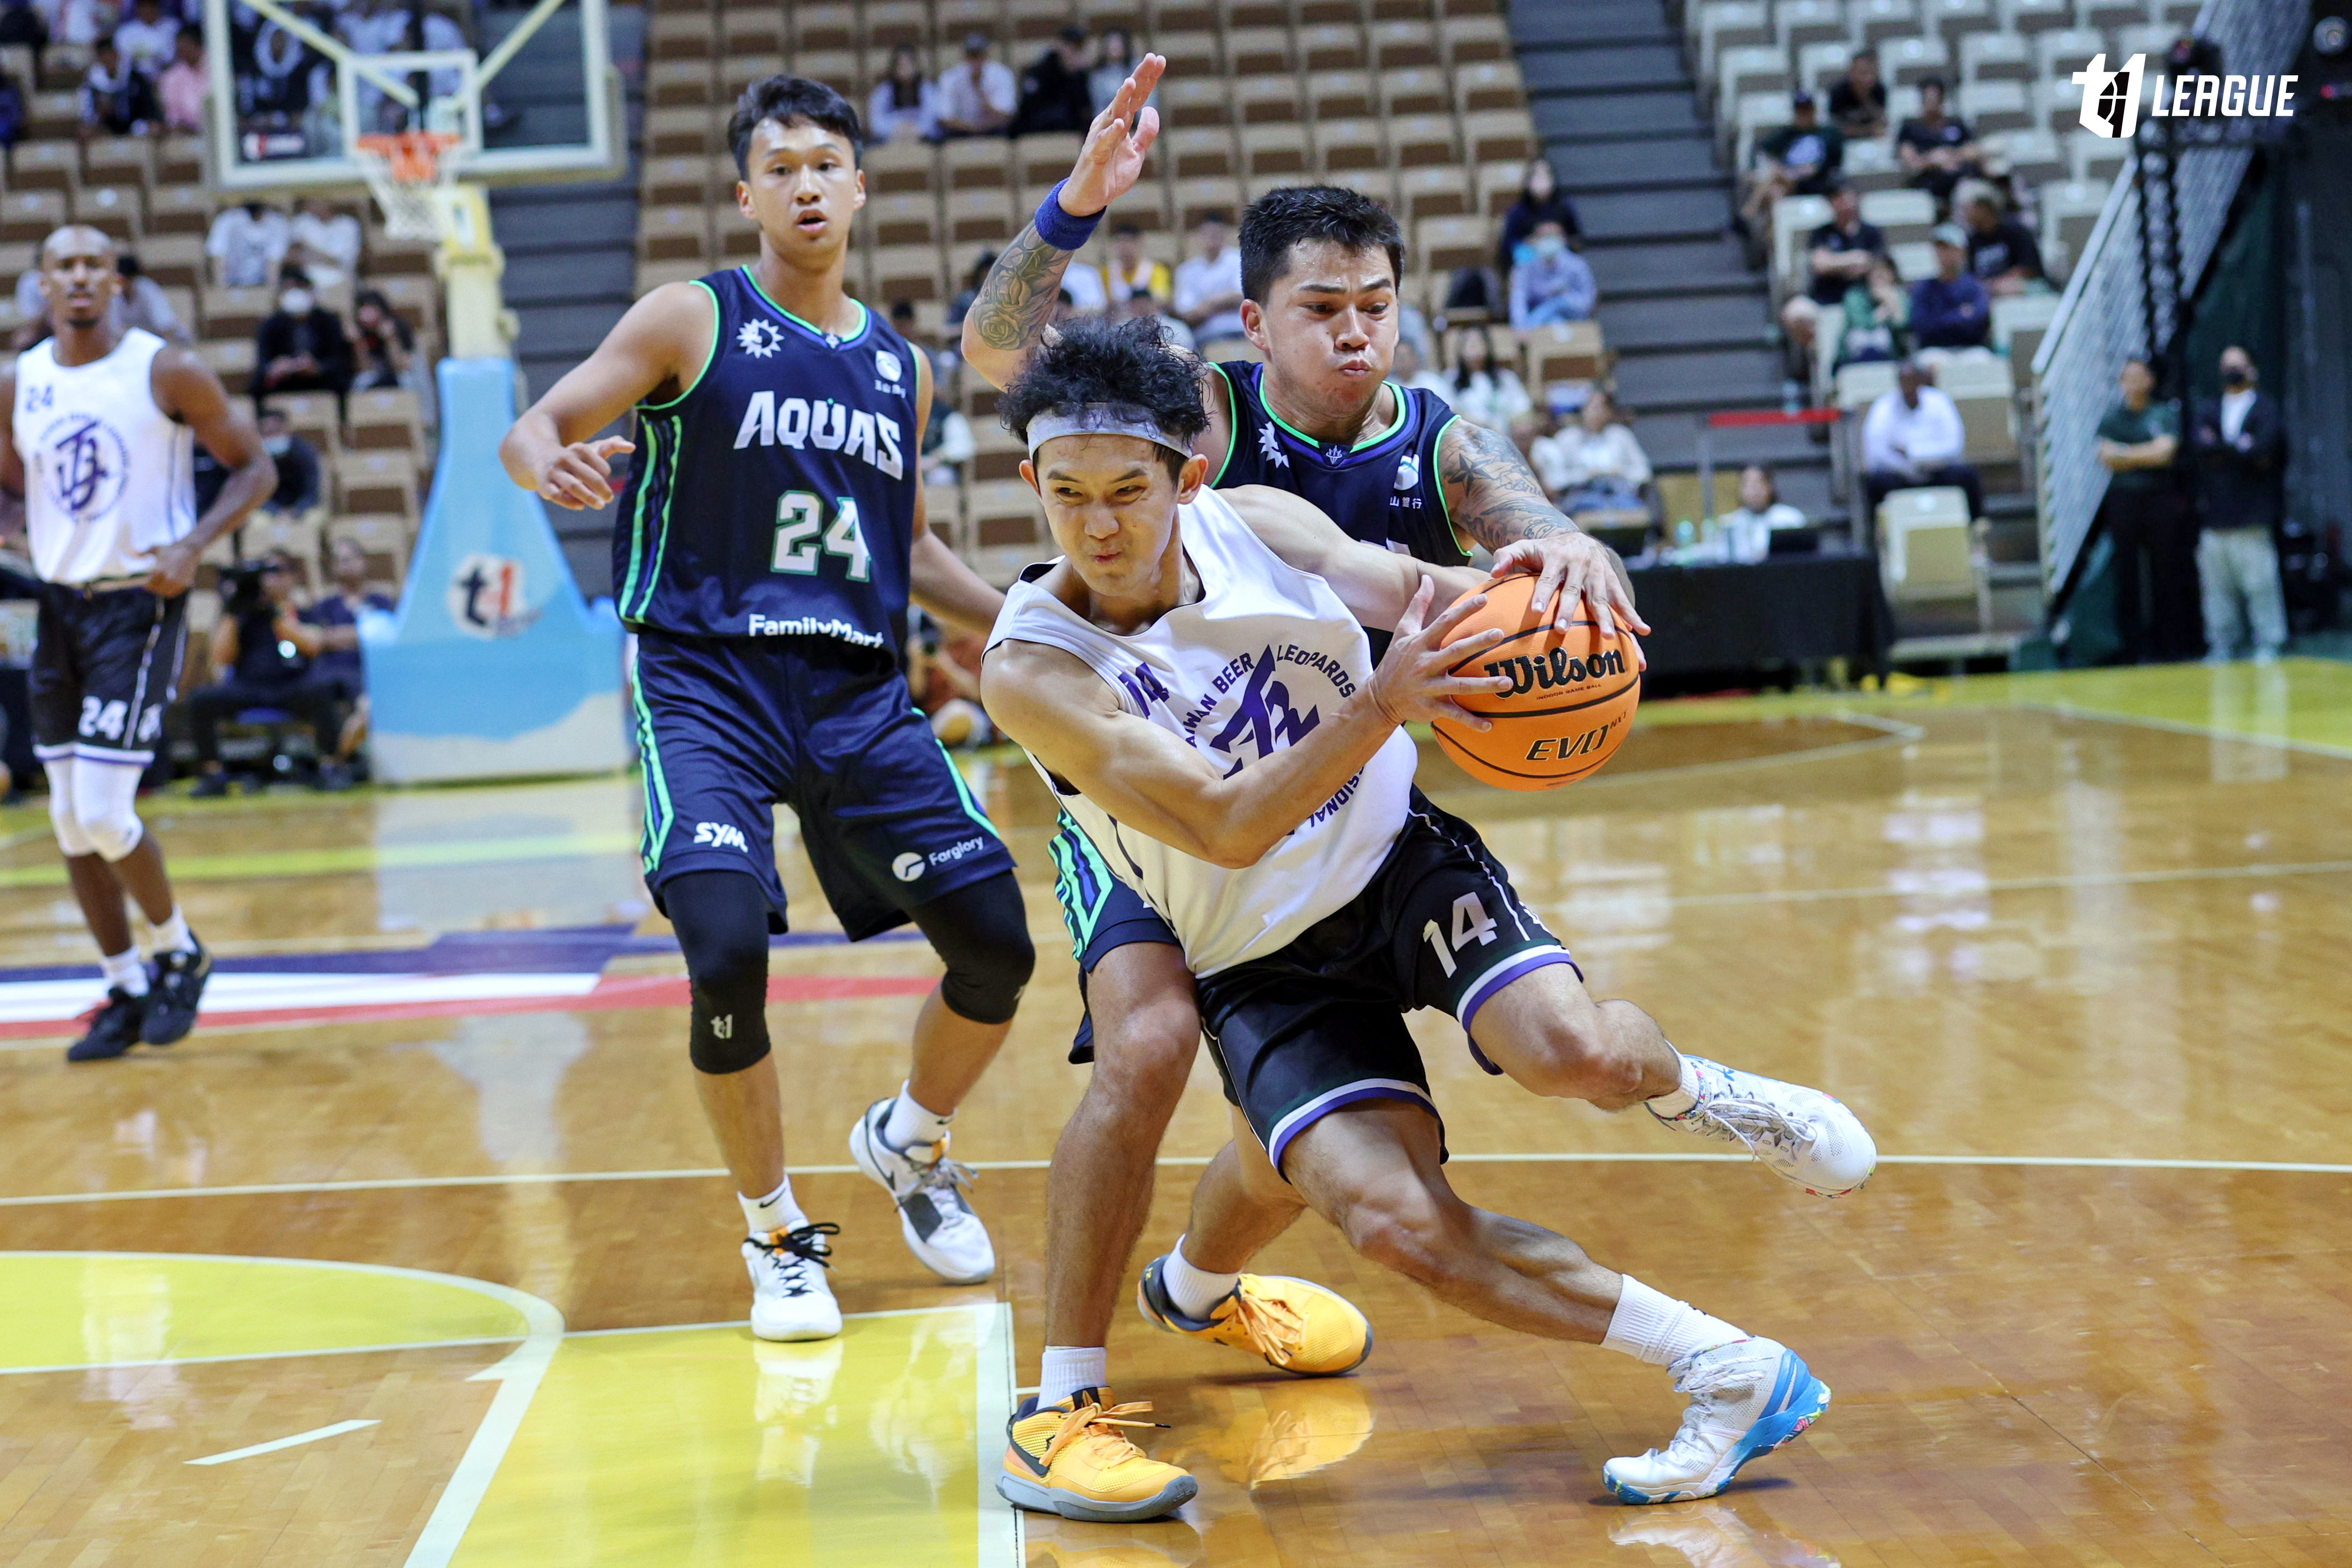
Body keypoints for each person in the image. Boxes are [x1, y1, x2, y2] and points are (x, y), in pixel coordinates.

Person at [981, 315, 1871, 1520]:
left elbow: (1415, 589)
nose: (1098, 526)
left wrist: (1551, 590)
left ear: (1185, 479)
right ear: (1030, 482)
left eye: (1127, 492)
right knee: (1393, 1222)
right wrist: (1381, 705)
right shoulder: (1034, 668)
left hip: (1396, 863)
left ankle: (1698, 1091)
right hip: (1254, 954)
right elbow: (1225, 825)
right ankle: (1729, 1367)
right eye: (1069, 494)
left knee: (1576, 1053)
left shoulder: (1260, 525)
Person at [960, 59, 1648, 1516]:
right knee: (1152, 1041)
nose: (1352, 331)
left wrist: (1564, 552)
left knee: (1296, 1084)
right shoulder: (1187, 412)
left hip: (1319, 780)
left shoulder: (1434, 431)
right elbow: (1001, 355)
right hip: (1159, 774)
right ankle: (1057, 1394)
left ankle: (1200, 1282)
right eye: (1322, 306)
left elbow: (1511, 526)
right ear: (1256, 319)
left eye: (1374, 305)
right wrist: (1074, 206)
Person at [499, 76, 1035, 1343]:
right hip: (706, 680)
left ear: (859, 187)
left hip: (854, 689)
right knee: (726, 949)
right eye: (780, 167)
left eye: (824, 164)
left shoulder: (896, 367)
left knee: (998, 948)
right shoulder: (692, 316)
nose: (805, 185)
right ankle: (777, 1228)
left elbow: (911, 547)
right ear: (746, 195)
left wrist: (1031, 621)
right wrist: (546, 461)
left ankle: (910, 1139)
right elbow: (538, 422)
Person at [0, 224, 276, 1061]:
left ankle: (180, 951)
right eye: (65, 266)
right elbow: (13, 483)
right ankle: (123, 984)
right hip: (59, 606)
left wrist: (192, 546)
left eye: (96, 264)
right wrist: (19, 529)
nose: (81, 277)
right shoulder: (20, 382)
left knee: (102, 812)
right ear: (43, 284)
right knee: (68, 820)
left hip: (140, 606)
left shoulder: (166, 369)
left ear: (117, 281)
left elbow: (255, 467)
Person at [185, 550, 358, 793]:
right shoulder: (241, 615)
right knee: (200, 700)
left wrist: (276, 610)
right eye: (266, 574)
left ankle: (330, 768)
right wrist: (233, 610)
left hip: (291, 686)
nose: (271, 580)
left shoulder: (301, 612)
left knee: (323, 693)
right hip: (248, 688)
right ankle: (213, 774)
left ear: (293, 577)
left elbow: (312, 646)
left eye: (278, 572)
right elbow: (221, 658)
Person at [2188, 345, 2288, 664]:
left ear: (2252, 369)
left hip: (2252, 515)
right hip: (2215, 515)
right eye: (2226, 365)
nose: (2231, 370)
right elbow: (2200, 447)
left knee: (2260, 584)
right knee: (2216, 589)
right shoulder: (2209, 408)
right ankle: (2221, 644)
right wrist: (2239, 449)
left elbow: (2265, 451)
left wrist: (2222, 449)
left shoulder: (2266, 408)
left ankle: (2269, 642)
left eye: (2238, 364)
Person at [2097, 356, 2193, 664]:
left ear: (2150, 380)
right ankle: (2131, 649)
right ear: (2121, 383)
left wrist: (2126, 454)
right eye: (2128, 377)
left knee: (2165, 570)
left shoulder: (2162, 414)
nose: (2134, 382)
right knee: (2127, 575)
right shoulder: (2112, 418)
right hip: (2124, 501)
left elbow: (2165, 453)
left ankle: (2170, 647)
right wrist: (2145, 454)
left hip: (2159, 499)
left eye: (2140, 376)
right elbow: (2106, 457)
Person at [297, 534, 391, 771]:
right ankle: (333, 758)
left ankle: (338, 759)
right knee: (314, 691)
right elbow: (314, 640)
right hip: (329, 671)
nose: (346, 565)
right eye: (340, 560)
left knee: (366, 702)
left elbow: (387, 636)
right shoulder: (324, 606)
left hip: (366, 670)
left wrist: (333, 637)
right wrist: (361, 634)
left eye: (351, 558)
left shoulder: (382, 601)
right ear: (332, 567)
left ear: (364, 561)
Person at [1861, 356, 1982, 522]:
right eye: (1904, 383)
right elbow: (1877, 452)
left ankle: (1976, 525)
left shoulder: (1939, 401)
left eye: (1912, 382)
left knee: (1966, 475)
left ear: (1921, 381)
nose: (1909, 388)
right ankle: (1879, 534)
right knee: (1876, 482)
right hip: (1900, 475)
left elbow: (1954, 446)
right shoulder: (1883, 407)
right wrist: (1908, 468)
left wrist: (1913, 453)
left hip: (1937, 471)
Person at [1779, 183, 1883, 359]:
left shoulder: (1871, 233)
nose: (1844, 203)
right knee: (1794, 312)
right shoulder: (1822, 233)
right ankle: (1816, 351)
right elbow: (1820, 264)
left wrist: (1835, 264)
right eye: (1838, 199)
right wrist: (1853, 259)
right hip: (1825, 301)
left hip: (1863, 301)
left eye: (1848, 198)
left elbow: (1873, 265)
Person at [1740, 91, 1844, 239]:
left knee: (1774, 174)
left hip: (1815, 183)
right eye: (1799, 111)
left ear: (1814, 110)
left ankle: (1747, 214)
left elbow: (1833, 163)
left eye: (1807, 110)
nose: (1803, 115)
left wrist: (1807, 171)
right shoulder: (1788, 134)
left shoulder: (1828, 134)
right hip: (1788, 181)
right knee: (1775, 194)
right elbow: (1760, 148)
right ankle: (1774, 243)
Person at [251, 264, 354, 409]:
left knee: (341, 381)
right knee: (256, 385)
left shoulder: (329, 321)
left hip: (319, 379)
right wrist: (276, 367)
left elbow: (338, 360)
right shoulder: (270, 324)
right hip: (284, 381)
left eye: (298, 288)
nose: (294, 294)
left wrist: (317, 367)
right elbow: (262, 363)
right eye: (288, 289)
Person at [1542, 385, 1651, 514]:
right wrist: (1584, 475)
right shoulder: (1567, 438)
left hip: (1617, 493)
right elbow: (1554, 480)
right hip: (1580, 496)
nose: (1596, 413)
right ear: (1583, 409)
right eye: (1592, 407)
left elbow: (1644, 472)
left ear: (1609, 412)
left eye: (1602, 408)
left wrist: (1620, 471)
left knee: (1632, 508)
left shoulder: (1621, 435)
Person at [1493, 155, 1581, 275]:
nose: (1541, 181)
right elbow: (1507, 247)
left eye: (1545, 175)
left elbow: (1577, 240)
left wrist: (1558, 235)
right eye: (1537, 176)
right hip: (1529, 264)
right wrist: (1533, 240)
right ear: (1528, 181)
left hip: (1560, 265)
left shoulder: (1565, 207)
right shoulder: (1517, 212)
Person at [1907, 224, 1990, 350]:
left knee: (1980, 359)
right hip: (1934, 349)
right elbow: (1921, 325)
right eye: (1940, 248)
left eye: (1949, 248)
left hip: (1970, 348)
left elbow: (1979, 322)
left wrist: (1940, 318)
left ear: (1962, 252)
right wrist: (1960, 315)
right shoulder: (1923, 288)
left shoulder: (1974, 286)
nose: (1944, 253)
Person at [1896, 79, 1979, 205]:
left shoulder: (1957, 123)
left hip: (1961, 180)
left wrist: (1949, 157)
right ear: (1922, 100)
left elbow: (1973, 151)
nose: (1932, 103)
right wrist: (1932, 160)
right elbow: (1910, 161)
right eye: (1928, 99)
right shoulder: (1910, 128)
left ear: (1942, 99)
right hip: (1929, 182)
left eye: (1936, 98)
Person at [1171, 210, 1245, 348]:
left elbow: (1240, 295)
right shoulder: (1187, 270)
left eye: (1217, 233)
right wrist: (1222, 303)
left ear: (1225, 234)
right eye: (1208, 233)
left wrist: (1207, 305)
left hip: (1239, 330)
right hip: (1205, 336)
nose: (1212, 237)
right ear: (1199, 236)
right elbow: (1186, 312)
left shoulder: (1239, 259)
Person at [1506, 218, 1596, 328]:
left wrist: (1561, 299)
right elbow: (1518, 299)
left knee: (1558, 314)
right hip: (1536, 323)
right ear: (1534, 240)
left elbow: (1587, 301)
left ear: (1563, 239)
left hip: (1573, 319)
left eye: (1552, 237)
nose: (1548, 242)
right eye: (1544, 238)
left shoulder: (1577, 264)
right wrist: (1520, 326)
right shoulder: (1525, 266)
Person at [1442, 323, 1530, 433]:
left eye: (1479, 342)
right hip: (1465, 437)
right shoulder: (1450, 379)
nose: (1474, 347)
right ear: (1460, 349)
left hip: (1504, 435)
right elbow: (1448, 413)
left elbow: (1522, 408)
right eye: (1469, 343)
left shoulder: (1506, 378)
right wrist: (1484, 426)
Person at [1959, 186, 2044, 298]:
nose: (1965, 213)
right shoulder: (1972, 241)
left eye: (1969, 208)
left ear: (1984, 208)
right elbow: (1971, 276)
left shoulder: (2016, 231)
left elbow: (2029, 268)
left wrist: (2000, 283)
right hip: (1988, 291)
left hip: (2022, 287)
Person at [1011, 24, 1092, 137]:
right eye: (1069, 46)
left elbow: (1085, 110)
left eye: (1077, 48)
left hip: (1070, 130)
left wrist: (1073, 76)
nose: (1072, 51)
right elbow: (1027, 110)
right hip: (1037, 130)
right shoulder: (1037, 73)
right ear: (1059, 45)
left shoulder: (1081, 75)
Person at [1714, 464, 1808, 562]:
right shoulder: (1729, 523)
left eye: (1758, 484)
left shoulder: (1790, 519)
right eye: (1748, 485)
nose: (1754, 491)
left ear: (1769, 487)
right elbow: (1721, 559)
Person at [935, 32, 1015, 138]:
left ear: (986, 55)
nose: (976, 60)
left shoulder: (1002, 74)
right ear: (965, 56)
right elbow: (945, 117)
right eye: (972, 55)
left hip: (993, 130)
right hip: (960, 132)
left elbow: (1006, 115)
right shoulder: (950, 77)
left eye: (980, 55)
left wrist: (985, 103)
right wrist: (973, 129)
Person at [80, 39, 161, 135]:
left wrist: (152, 120)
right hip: (106, 127)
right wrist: (100, 113)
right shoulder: (93, 81)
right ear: (99, 59)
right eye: (104, 56)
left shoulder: (134, 76)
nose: (108, 59)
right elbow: (88, 113)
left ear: (117, 55)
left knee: (149, 128)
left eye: (111, 55)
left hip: (136, 124)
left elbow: (148, 103)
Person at [206, 200, 290, 290]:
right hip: (232, 282)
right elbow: (217, 255)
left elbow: (274, 262)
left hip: (262, 282)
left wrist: (270, 291)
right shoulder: (227, 220)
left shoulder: (278, 223)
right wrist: (221, 289)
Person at [866, 43, 939, 144]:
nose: (905, 69)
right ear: (893, 68)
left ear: (917, 66)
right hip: (891, 138)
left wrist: (916, 130)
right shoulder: (883, 91)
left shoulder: (927, 89)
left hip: (922, 138)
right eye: (900, 65)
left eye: (909, 64)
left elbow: (933, 120)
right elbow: (876, 124)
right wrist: (897, 130)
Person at [286, 197, 362, 294]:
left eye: (318, 201)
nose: (313, 205)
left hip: (340, 281)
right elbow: (292, 255)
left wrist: (310, 253)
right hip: (305, 283)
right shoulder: (302, 222)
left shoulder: (348, 225)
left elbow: (341, 262)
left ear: (329, 202)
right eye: (310, 202)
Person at [254, 408, 322, 515]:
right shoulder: (256, 459)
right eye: (267, 433)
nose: (272, 437)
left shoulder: (306, 453)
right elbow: (257, 495)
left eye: (275, 431)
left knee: (314, 518)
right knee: (258, 522)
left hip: (302, 509)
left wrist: (296, 511)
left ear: (286, 429)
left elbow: (312, 493)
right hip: (270, 512)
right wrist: (277, 512)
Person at [349, 288, 414, 392]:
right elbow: (365, 369)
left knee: (407, 378)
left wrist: (391, 339)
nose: (367, 314)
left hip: (396, 374)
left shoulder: (398, 327)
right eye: (363, 308)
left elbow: (401, 366)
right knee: (361, 380)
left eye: (371, 308)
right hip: (375, 376)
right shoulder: (359, 334)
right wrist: (359, 344)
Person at [1092, 220, 1169, 306]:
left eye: (1128, 241)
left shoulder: (1156, 270)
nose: (1124, 246)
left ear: (1139, 242)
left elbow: (1160, 299)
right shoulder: (1106, 272)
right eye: (1119, 241)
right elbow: (1101, 303)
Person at [114, 254, 184, 342]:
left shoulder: (146, 289)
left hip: (169, 340)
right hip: (137, 341)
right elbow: (114, 329)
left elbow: (166, 328)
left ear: (131, 278)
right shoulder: (115, 294)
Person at [1088, 27, 1153, 116]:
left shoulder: (1136, 68)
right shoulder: (1098, 76)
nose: (1115, 47)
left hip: (1135, 117)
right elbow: (1098, 107)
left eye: (1118, 43)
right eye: (1111, 43)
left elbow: (1147, 101)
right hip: (1110, 119)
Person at [1826, 49, 1886, 138]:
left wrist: (1865, 97)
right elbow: (1835, 126)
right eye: (1863, 73)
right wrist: (1865, 131)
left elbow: (1881, 123)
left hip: (1872, 139)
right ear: (1851, 72)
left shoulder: (1879, 90)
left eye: (1871, 73)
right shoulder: (1838, 92)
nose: (1868, 78)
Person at [156, 26, 204, 132]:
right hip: (185, 133)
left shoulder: (218, 71)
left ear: (199, 46)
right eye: (180, 46)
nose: (183, 50)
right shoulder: (171, 77)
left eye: (187, 45)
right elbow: (172, 116)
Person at [111, 0, 175, 75]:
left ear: (158, 7)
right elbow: (119, 60)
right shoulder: (125, 31)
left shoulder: (173, 27)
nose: (148, 10)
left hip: (168, 74)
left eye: (151, 7)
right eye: (144, 7)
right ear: (137, 9)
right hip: (134, 76)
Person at [1387, 336, 1450, 401]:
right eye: (1399, 357)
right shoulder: (1388, 387)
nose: (1403, 361)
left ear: (1415, 358)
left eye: (1406, 357)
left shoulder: (1433, 382)